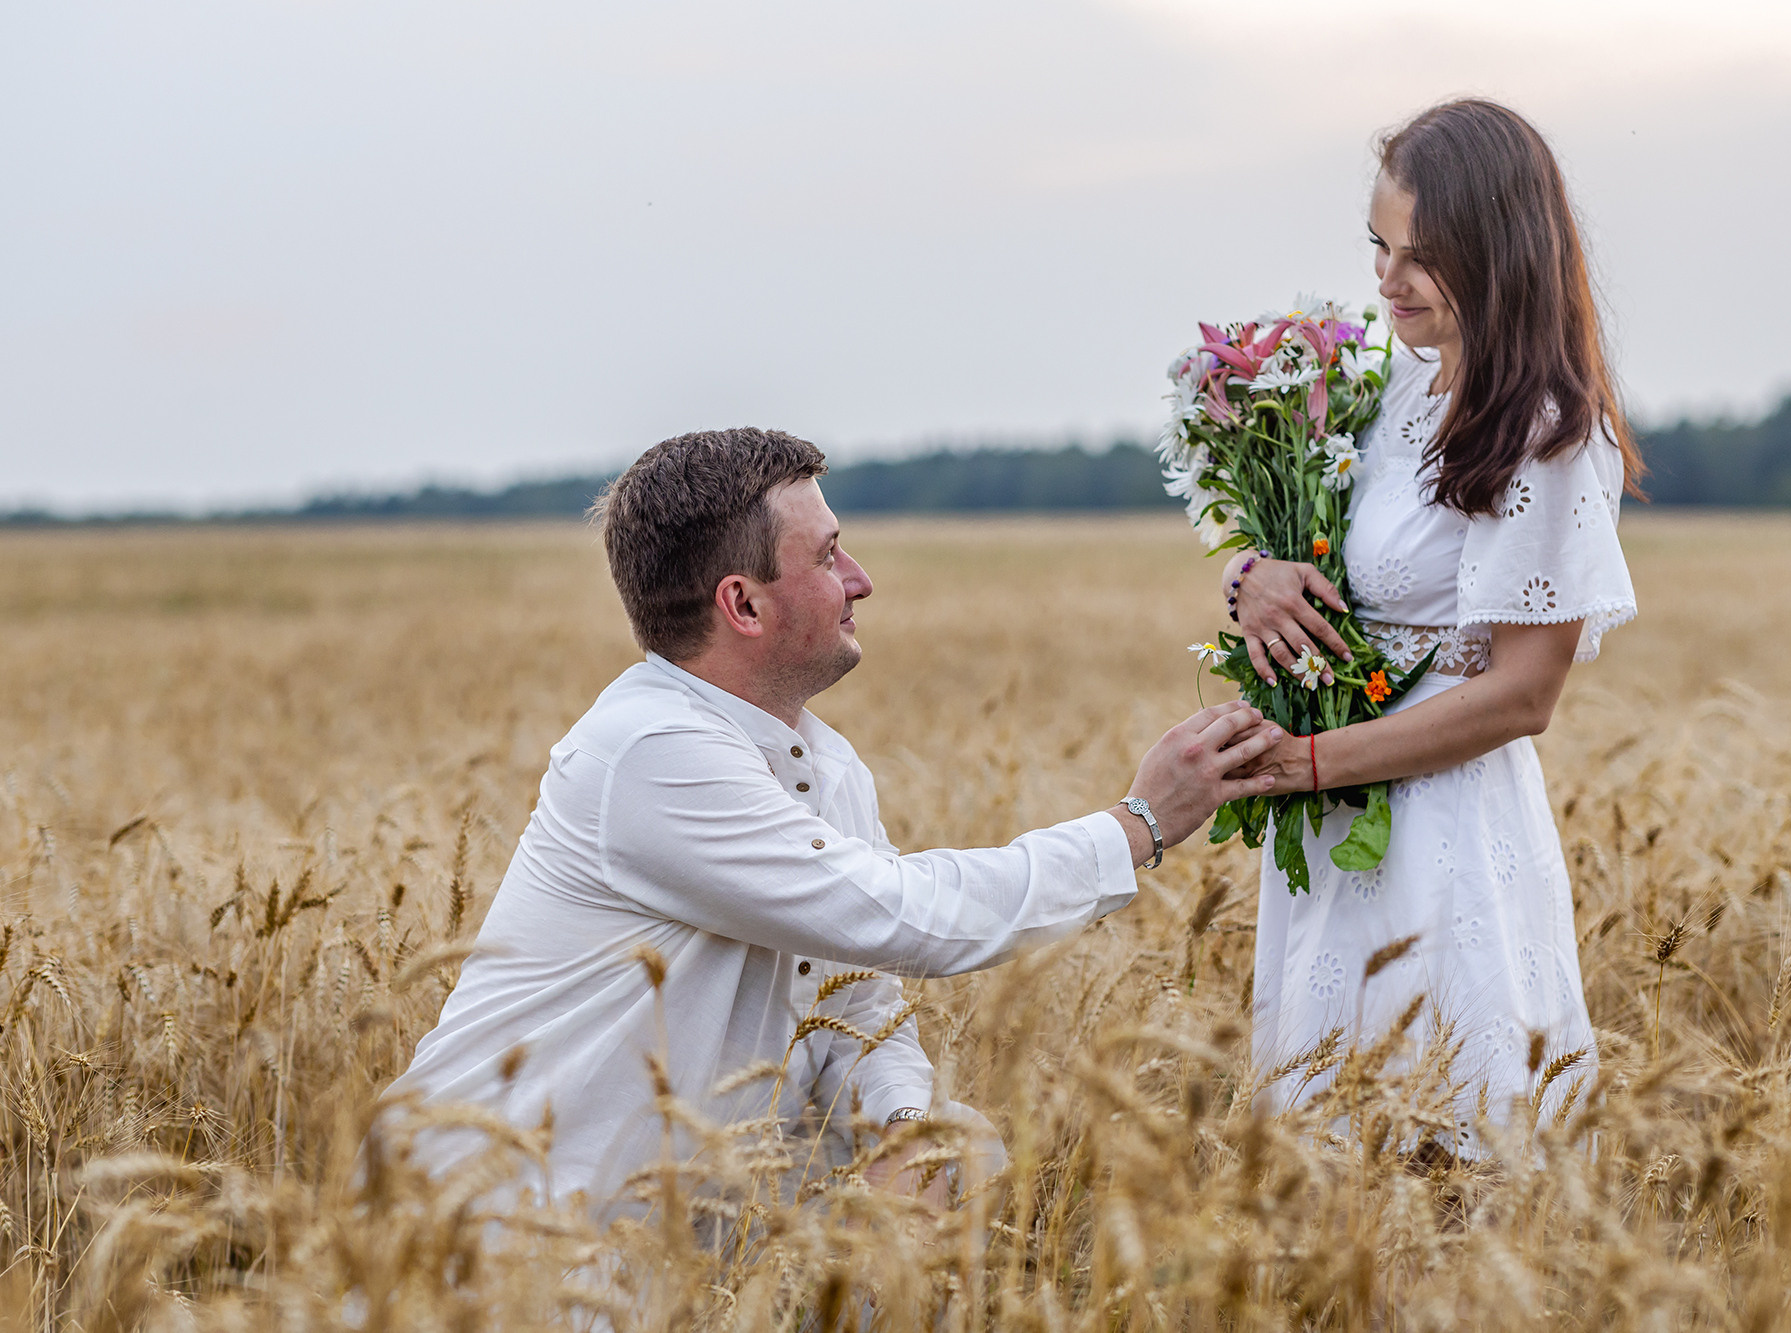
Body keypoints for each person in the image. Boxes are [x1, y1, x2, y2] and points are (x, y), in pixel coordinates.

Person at [382, 427, 1281, 1216]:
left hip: (690, 1242)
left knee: (954, 1147)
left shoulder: (821, 758)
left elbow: (858, 996)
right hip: (504, 1236)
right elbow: (901, 916)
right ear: (743, 603)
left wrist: (901, 1123)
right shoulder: (649, 750)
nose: (863, 580)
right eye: (829, 555)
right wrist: (1138, 825)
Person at [1224, 100, 1642, 1153]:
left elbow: (1520, 694)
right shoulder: (1388, 390)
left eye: (1421, 255)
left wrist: (1310, 760)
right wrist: (1249, 577)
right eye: (1378, 245)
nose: (1386, 278)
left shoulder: (1542, 430)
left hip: (1443, 833)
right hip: (1334, 827)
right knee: (1321, 1175)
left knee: (1442, 1159)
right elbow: (1318, 555)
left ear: (1496, 251)